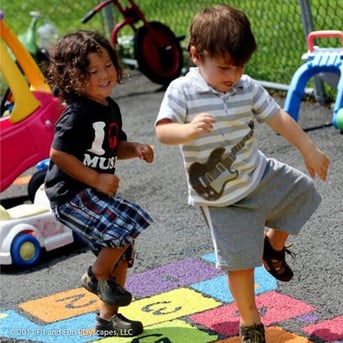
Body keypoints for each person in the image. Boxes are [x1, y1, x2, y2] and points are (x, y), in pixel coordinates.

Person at [155, 5, 330, 343]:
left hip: (258, 172)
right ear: (196, 55)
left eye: (240, 66)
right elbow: (163, 132)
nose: (232, 74)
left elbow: (277, 117)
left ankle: (272, 247)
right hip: (220, 197)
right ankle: (251, 323)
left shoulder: (245, 87)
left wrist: (307, 148)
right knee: (239, 263)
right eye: (223, 67)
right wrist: (187, 131)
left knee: (305, 192)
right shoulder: (182, 91)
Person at [44, 30, 154, 337]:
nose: (105, 74)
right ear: (74, 78)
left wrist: (137, 149)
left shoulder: (109, 106)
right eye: (94, 71)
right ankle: (96, 276)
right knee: (123, 227)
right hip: (71, 195)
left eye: (108, 65)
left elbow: (113, 145)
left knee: (122, 246)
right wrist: (96, 178)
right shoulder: (77, 114)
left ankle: (107, 319)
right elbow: (59, 154)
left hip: (92, 194)